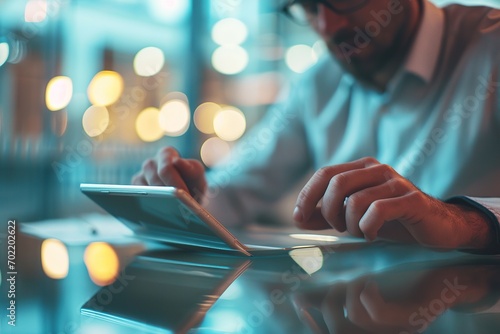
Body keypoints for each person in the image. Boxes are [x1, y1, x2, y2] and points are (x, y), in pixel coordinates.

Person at [132, 0, 500, 253]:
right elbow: (234, 189)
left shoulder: (492, 48)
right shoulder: (315, 85)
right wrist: (180, 196)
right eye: (308, 6)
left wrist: (462, 222)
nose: (327, 25)